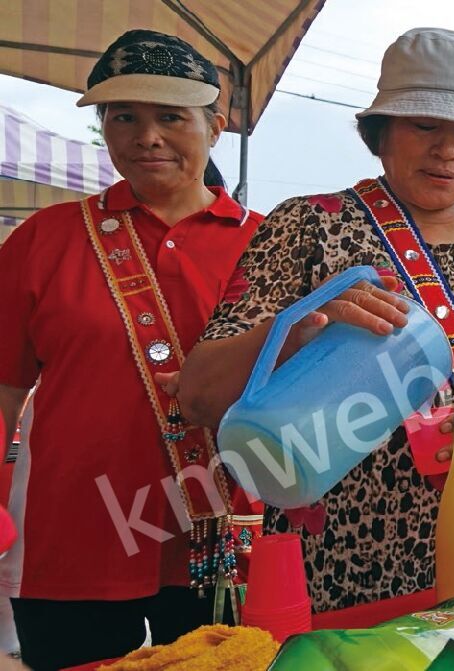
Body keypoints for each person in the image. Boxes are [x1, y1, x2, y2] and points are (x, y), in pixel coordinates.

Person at [173, 28, 454, 619]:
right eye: (424, 126)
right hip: (348, 569)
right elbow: (197, 395)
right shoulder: (309, 228)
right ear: (380, 133)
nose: (448, 150)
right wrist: (298, 329)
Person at [0, 30, 264, 670]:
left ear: (216, 127)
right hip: (73, 538)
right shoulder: (46, 238)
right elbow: (5, 386)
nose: (147, 136)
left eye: (171, 116)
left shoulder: (269, 246)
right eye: (124, 117)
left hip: (223, 536)